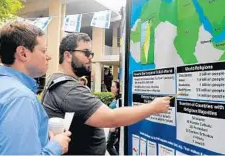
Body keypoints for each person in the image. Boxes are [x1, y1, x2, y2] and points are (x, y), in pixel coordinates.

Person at [41, 33, 170, 155]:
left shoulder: (57, 81)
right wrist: (153, 107)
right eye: (86, 53)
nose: (90, 57)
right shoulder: (68, 89)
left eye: (91, 53)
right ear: (68, 56)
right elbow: (111, 118)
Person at [0, 21, 71, 155]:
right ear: (23, 53)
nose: (48, 57)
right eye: (43, 51)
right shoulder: (20, 98)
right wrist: (56, 147)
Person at [107, 80, 121, 155]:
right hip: (113, 125)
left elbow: (119, 114)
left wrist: (114, 126)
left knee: (109, 145)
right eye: (111, 86)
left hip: (114, 127)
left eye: (113, 86)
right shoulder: (114, 98)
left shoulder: (119, 99)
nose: (111, 88)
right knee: (116, 144)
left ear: (118, 89)